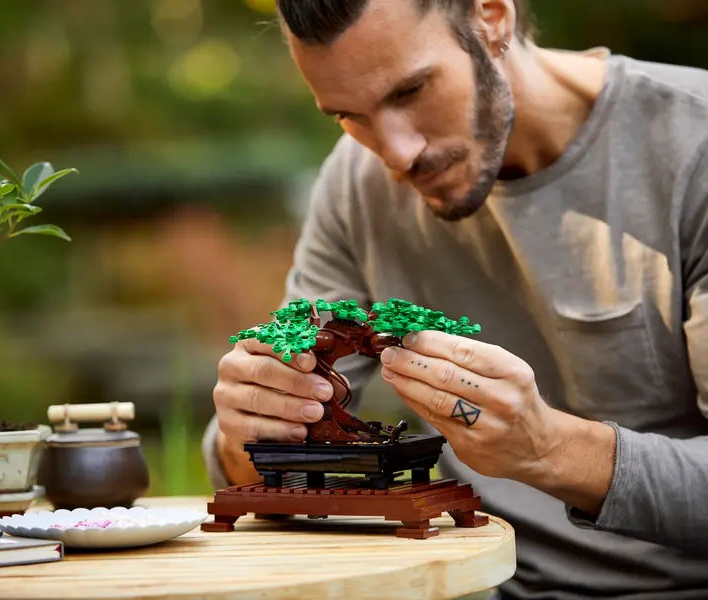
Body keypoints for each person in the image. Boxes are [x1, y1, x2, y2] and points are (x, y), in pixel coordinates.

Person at [201, 0, 708, 597]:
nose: (395, 154)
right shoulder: (355, 185)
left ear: (492, 17)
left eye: (411, 91)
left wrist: (550, 449)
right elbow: (247, 478)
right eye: (347, 115)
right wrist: (251, 429)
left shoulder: (690, 146)